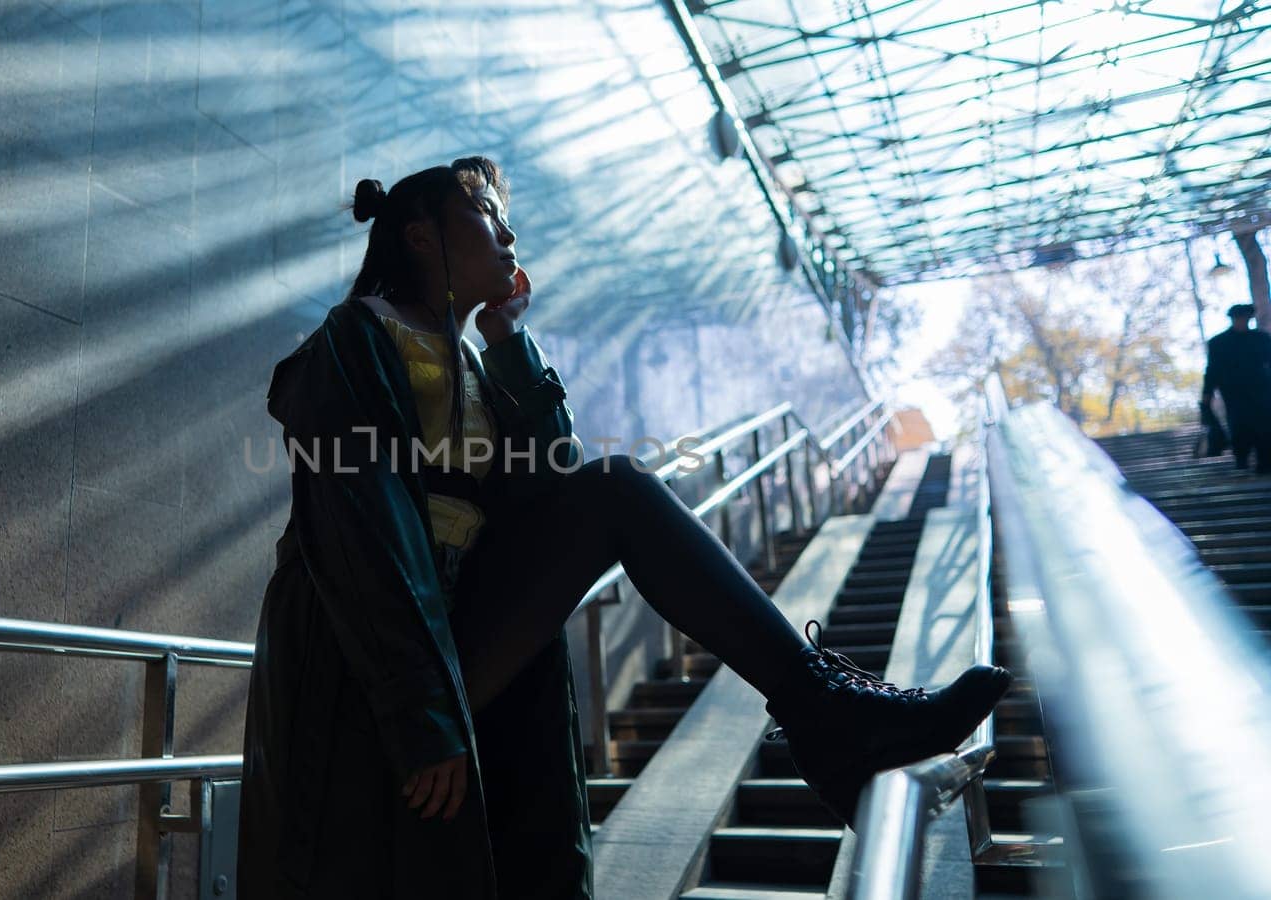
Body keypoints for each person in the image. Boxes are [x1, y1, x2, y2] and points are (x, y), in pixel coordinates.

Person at [237, 156, 1011, 900]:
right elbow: (364, 530)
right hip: (362, 660)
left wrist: (511, 343)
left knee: (615, 488)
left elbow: (553, 485)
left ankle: (827, 717)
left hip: (449, 632)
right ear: (420, 236)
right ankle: (830, 720)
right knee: (618, 486)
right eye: (486, 218)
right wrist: (420, 709)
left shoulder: (476, 364)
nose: (508, 238)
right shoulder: (355, 338)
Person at [1203, 303, 1271, 473]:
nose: (1242, 321)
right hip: (1234, 393)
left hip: (1261, 391)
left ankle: (1264, 462)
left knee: (1263, 427)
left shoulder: (1261, 339)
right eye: (1239, 318)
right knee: (1239, 425)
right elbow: (1212, 370)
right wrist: (1207, 394)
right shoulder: (1219, 343)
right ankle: (1241, 459)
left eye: (1245, 318)